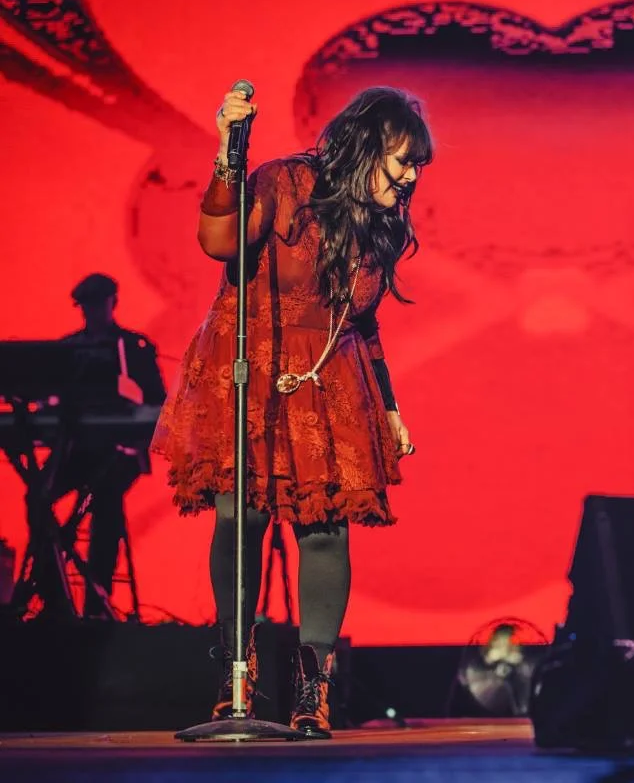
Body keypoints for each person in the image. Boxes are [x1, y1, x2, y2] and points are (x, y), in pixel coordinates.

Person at [151, 85, 431, 738]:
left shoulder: (378, 219)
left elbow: (364, 320)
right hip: (253, 355)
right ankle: (238, 672)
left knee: (326, 528)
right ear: (366, 146)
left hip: (330, 371)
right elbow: (221, 242)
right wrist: (227, 149)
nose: (411, 177)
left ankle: (314, 690)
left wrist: (388, 406)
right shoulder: (286, 181)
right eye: (402, 161)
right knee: (240, 516)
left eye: (418, 165)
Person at [59, 273, 166, 618]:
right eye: (86, 306)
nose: (91, 312)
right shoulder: (68, 349)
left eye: (96, 304)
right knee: (37, 498)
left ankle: (96, 605)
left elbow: (158, 404)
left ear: (111, 303)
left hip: (120, 452)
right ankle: (55, 596)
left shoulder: (134, 349)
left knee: (105, 502)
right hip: (78, 450)